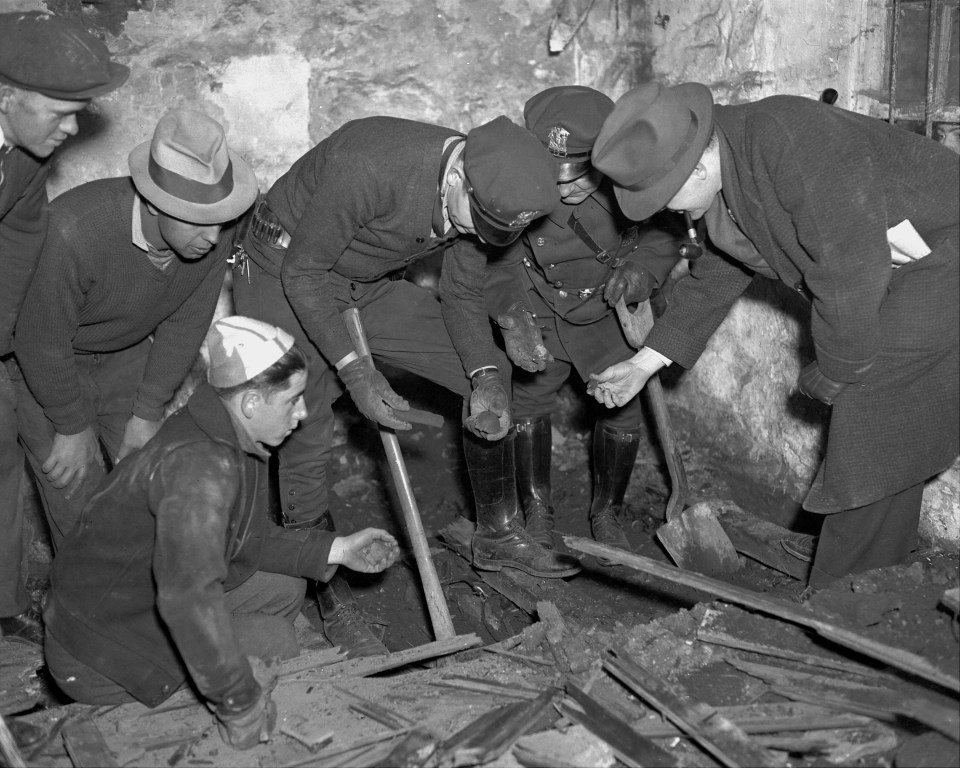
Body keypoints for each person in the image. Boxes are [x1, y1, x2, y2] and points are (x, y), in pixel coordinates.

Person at [232, 114, 581, 657]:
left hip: (363, 280)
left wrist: (487, 374)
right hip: (284, 266)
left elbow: (462, 295)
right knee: (304, 417)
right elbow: (305, 275)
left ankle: (496, 532)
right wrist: (355, 369)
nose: (476, 236)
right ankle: (328, 589)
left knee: (479, 366)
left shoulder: (489, 199)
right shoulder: (371, 166)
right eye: (476, 222)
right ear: (457, 176)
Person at [589, 81, 959, 589]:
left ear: (696, 165)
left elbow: (848, 270)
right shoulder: (727, 168)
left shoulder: (788, 140)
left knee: (872, 408)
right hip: (905, 268)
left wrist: (838, 368)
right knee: (891, 424)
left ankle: (842, 592)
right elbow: (716, 275)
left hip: (946, 252)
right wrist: (643, 363)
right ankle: (875, 573)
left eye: (663, 198)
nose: (665, 213)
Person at [43, 316, 400, 750]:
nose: (303, 413)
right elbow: (187, 597)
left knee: (285, 587)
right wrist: (239, 702)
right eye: (292, 400)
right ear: (250, 402)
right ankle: (177, 693)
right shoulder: (201, 467)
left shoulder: (223, 430)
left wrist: (339, 548)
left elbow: (244, 539)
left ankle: (212, 661)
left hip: (123, 606)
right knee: (277, 640)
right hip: (101, 653)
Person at [13, 108, 258, 552]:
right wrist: (71, 426)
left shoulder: (212, 237)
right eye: (198, 219)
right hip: (42, 365)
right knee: (77, 492)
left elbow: (185, 324)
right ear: (151, 203)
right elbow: (40, 343)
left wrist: (146, 414)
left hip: (121, 353)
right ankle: (82, 612)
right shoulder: (73, 233)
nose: (214, 235)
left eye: (221, 219)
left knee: (157, 475)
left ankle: (149, 602)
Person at [485, 86, 683, 559]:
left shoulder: (630, 183)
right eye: (556, 176)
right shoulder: (518, 187)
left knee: (620, 404)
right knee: (529, 399)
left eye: (579, 174)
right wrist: (513, 316)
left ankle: (607, 511)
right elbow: (499, 262)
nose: (567, 188)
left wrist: (643, 272)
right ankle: (537, 509)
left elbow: (664, 236)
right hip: (541, 309)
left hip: (606, 310)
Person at [0, 11, 129, 644]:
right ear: (6, 96)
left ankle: (2, 603)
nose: (73, 127)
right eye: (61, 109)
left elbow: (20, 229)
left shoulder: (22, 151)